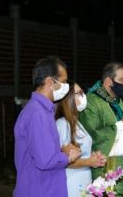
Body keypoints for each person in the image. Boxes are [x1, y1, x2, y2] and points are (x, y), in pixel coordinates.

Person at [14, 57, 81, 197]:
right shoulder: (37, 113)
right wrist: (68, 157)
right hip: (39, 189)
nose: (66, 87)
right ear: (51, 81)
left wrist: (62, 150)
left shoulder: (44, 110)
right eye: (63, 82)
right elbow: (46, 160)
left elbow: (39, 149)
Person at [79, 62, 123, 191]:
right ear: (109, 81)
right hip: (106, 171)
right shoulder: (92, 101)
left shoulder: (117, 100)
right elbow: (92, 136)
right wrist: (121, 126)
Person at [56, 81, 106, 197]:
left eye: (83, 92)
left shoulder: (77, 122)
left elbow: (82, 152)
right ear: (68, 99)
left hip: (84, 180)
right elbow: (62, 160)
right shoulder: (62, 123)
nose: (84, 96)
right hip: (71, 182)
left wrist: (94, 157)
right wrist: (89, 161)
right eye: (79, 93)